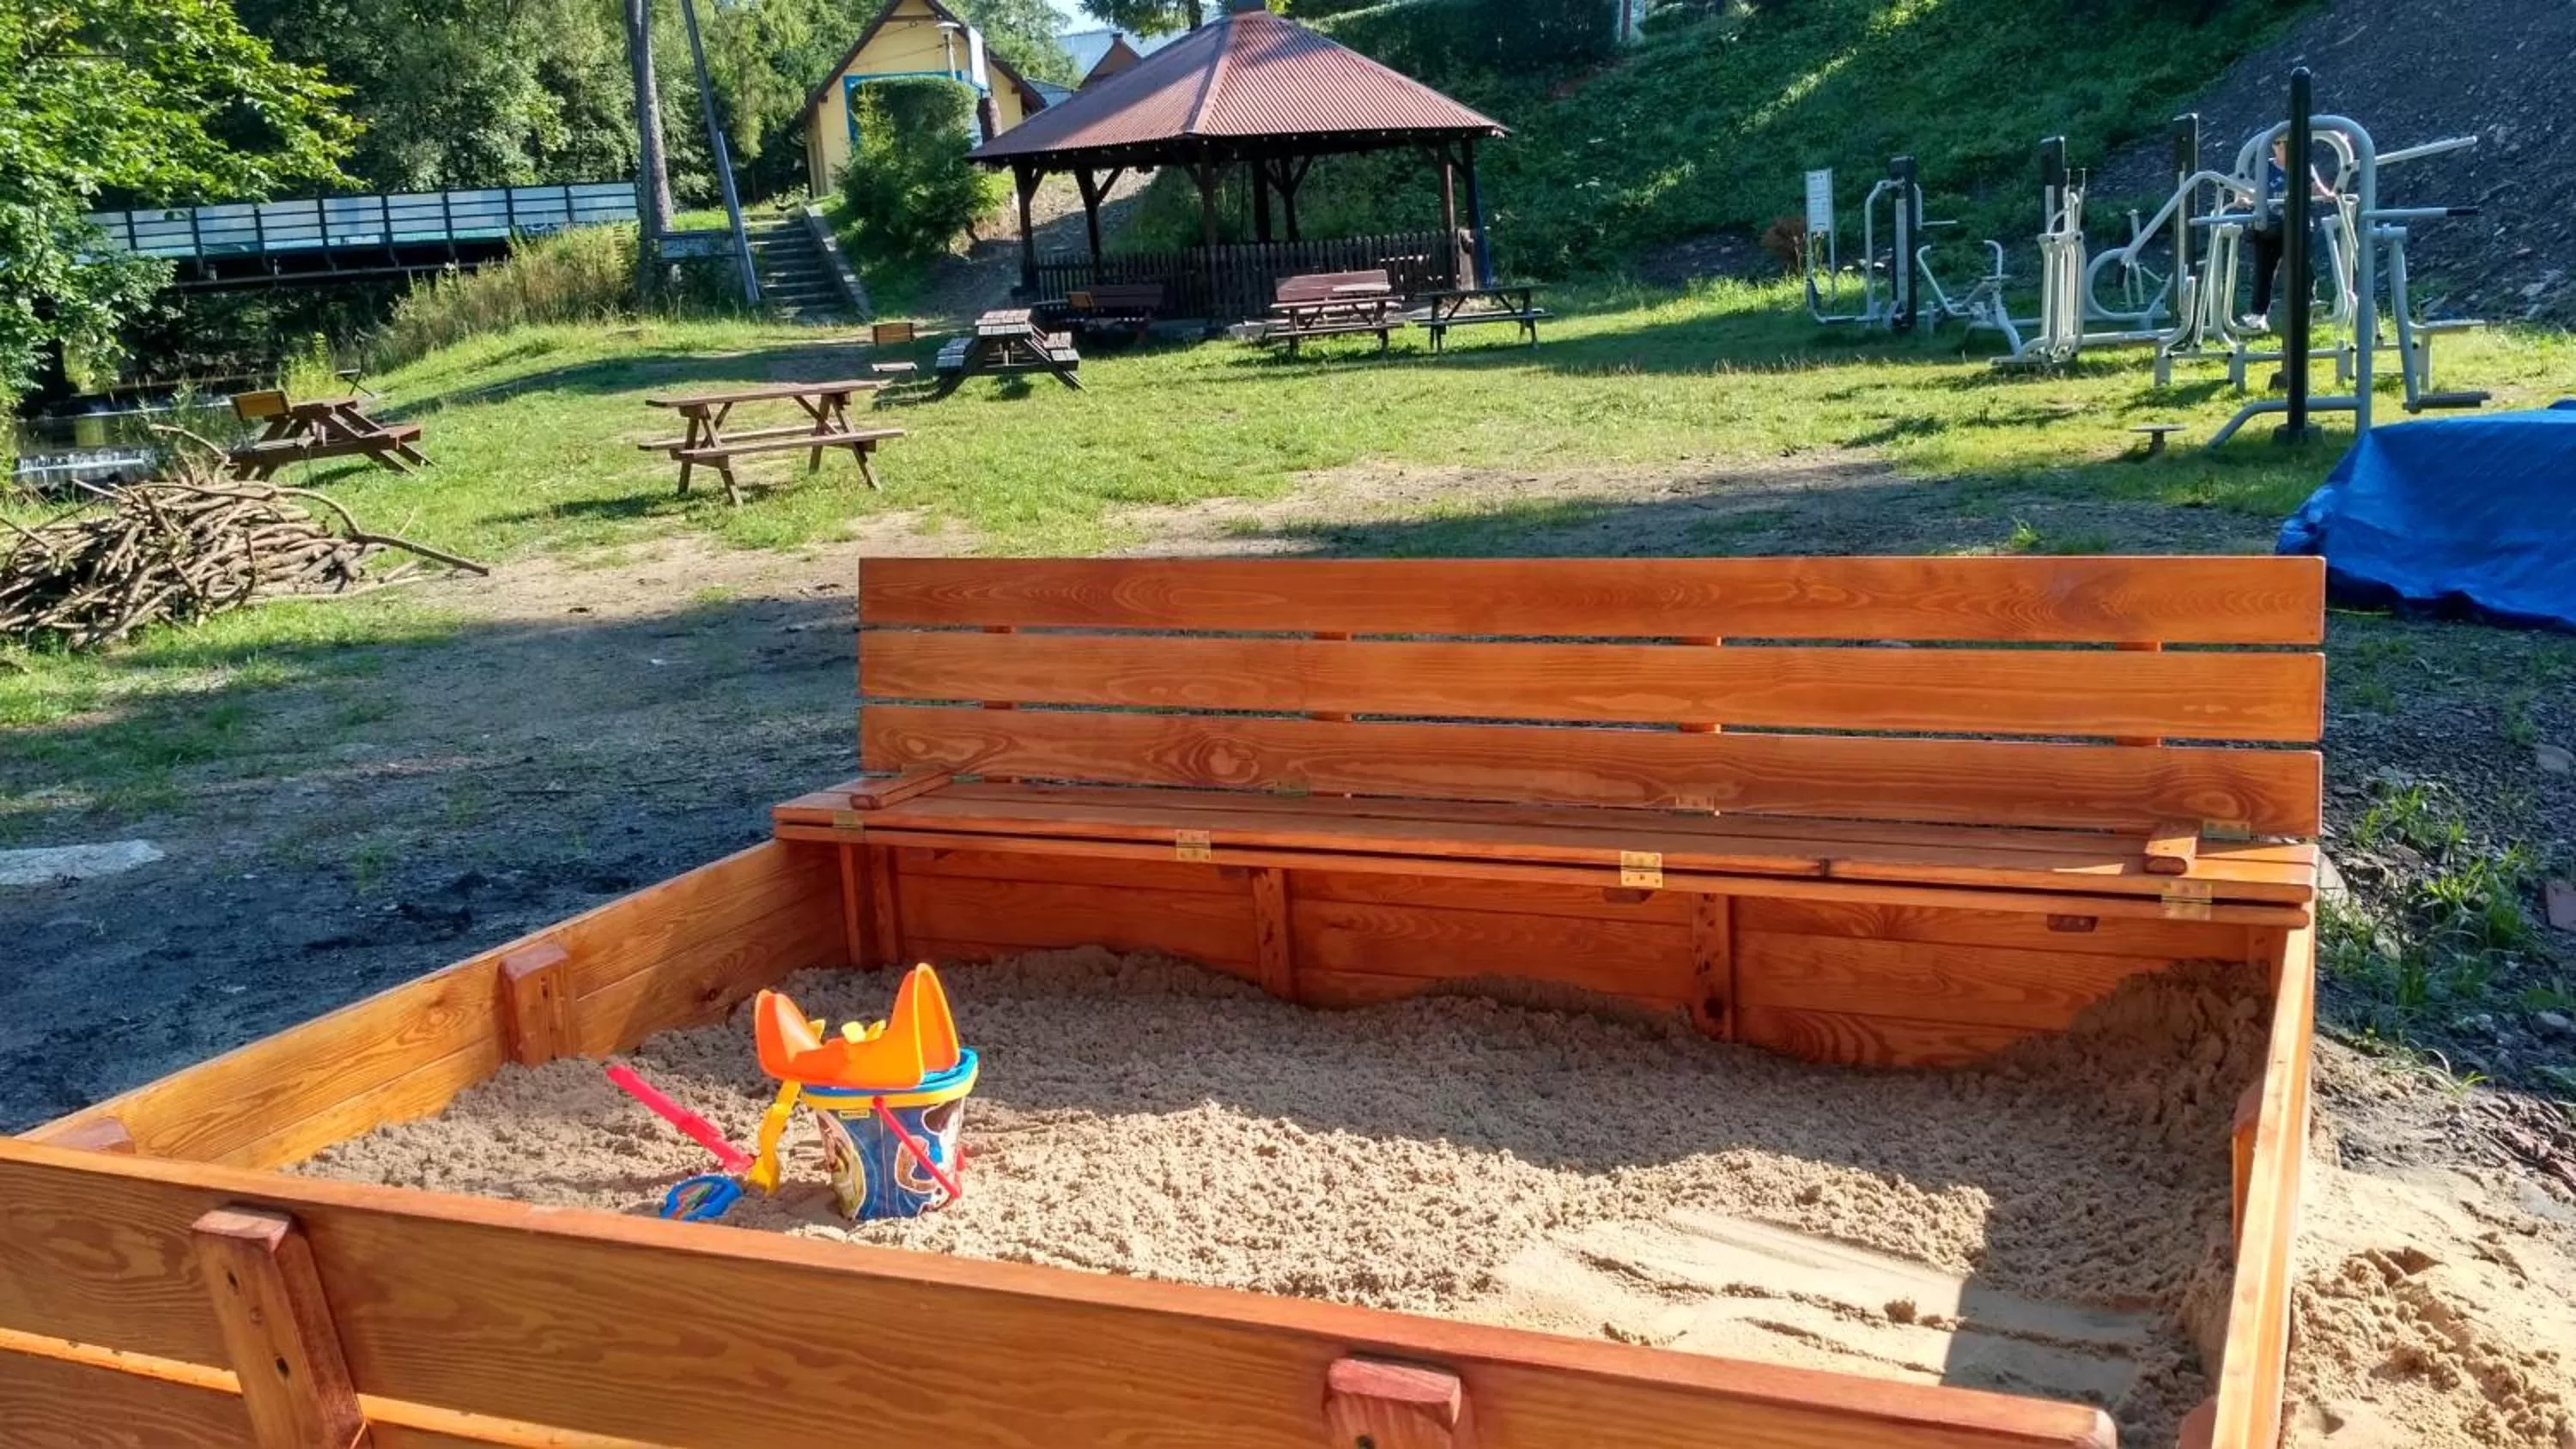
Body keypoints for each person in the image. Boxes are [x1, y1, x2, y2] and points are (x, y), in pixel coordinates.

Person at [2242, 134, 2337, 330]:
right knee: (2265, 270)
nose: (2282, 148)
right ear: (2273, 147)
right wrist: (2242, 199)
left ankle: (2307, 303)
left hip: (2296, 225)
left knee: (2303, 265)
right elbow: (2247, 189)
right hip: (2269, 226)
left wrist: (2328, 195)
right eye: (2278, 144)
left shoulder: (2303, 167)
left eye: (2286, 144)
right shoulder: (2264, 167)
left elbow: (2317, 188)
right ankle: (2259, 314)